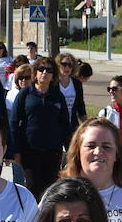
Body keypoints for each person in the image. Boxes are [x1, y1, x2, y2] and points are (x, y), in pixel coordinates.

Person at [10, 56, 74, 199]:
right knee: (31, 189)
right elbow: (14, 123)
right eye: (41, 69)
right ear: (35, 73)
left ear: (53, 75)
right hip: (29, 152)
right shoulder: (25, 94)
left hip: (52, 152)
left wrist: (70, 152)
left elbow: (65, 125)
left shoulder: (58, 96)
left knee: (50, 191)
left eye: (49, 70)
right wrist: (16, 152)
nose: (45, 72)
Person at [54, 52, 87, 123]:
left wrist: (86, 123)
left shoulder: (77, 83)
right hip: (56, 125)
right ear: (58, 65)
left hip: (72, 125)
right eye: (64, 64)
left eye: (70, 65)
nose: (67, 67)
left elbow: (80, 105)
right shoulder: (53, 83)